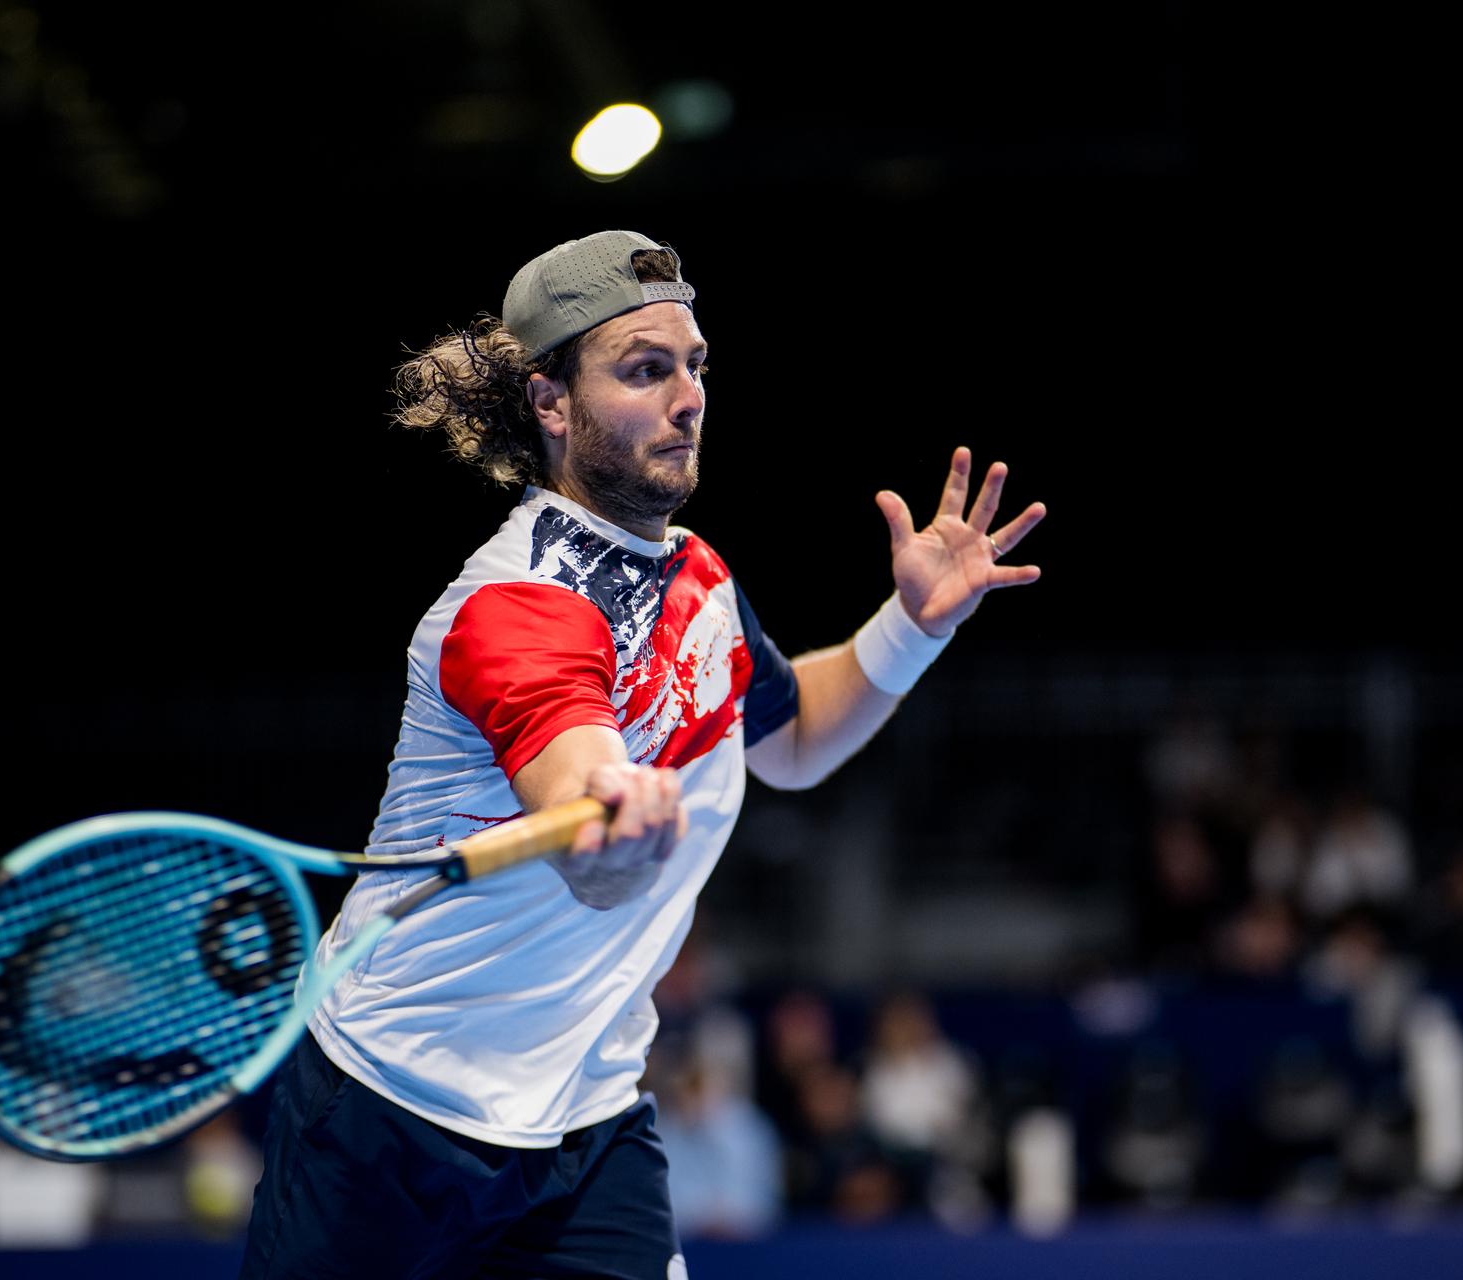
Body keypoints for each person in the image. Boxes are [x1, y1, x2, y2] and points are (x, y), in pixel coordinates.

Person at [237, 230, 1045, 1280]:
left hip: (588, 1120)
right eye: (644, 369)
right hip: (395, 1121)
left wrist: (913, 624)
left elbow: (793, 740)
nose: (689, 396)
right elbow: (582, 817)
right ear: (550, 402)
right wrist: (614, 821)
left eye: (696, 365)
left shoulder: (694, 575)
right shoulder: (510, 606)